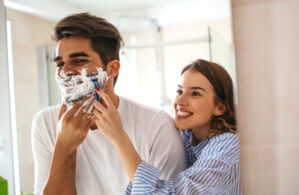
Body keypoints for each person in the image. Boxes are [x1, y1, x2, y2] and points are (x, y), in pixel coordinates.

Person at [31, 13, 186, 195]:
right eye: (59, 64)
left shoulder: (157, 125)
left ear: (112, 68)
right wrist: (64, 147)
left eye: (79, 61)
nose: (64, 72)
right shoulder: (45, 123)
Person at [93, 59, 241, 194]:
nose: (180, 101)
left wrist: (119, 138)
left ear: (220, 107)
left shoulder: (228, 146)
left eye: (195, 93)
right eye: (179, 91)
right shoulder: (186, 136)